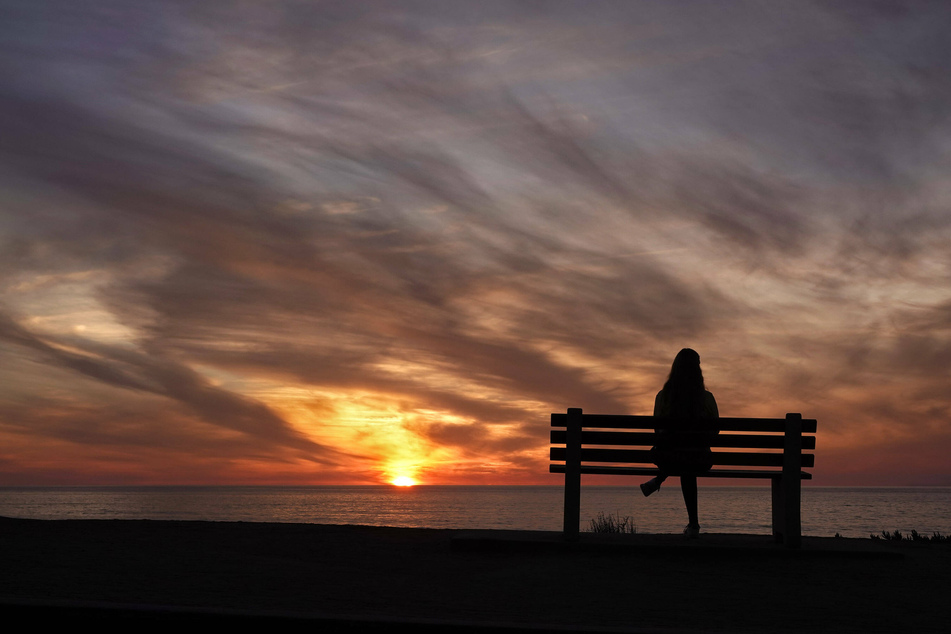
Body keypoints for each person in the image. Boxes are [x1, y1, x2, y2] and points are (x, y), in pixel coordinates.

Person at [639, 348, 718, 538]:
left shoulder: (663, 397)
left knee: (676, 458)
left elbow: (657, 432)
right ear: (698, 370)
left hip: (669, 457)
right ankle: (693, 525)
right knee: (687, 466)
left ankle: (658, 479)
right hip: (699, 458)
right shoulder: (706, 398)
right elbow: (715, 432)